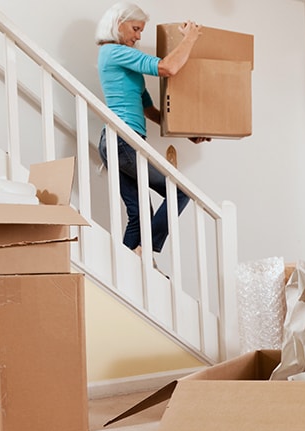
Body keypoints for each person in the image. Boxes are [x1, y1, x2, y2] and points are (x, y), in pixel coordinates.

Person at [95, 2, 210, 257]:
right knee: (179, 192)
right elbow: (168, 67)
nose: (138, 37)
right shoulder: (113, 51)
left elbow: (149, 110)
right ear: (118, 24)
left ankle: (128, 273)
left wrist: (186, 132)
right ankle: (146, 252)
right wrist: (190, 38)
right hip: (123, 140)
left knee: (139, 215)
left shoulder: (125, 64)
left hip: (121, 141)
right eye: (135, 29)